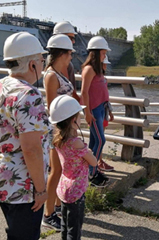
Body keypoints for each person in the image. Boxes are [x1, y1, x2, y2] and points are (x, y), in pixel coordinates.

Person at [0, 32, 51, 239]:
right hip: (24, 185)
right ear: (32, 65)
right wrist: (40, 190)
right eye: (41, 60)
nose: (43, 65)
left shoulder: (3, 86)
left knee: (15, 230)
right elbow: (31, 148)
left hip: (5, 178)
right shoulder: (29, 95)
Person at [49, 95, 97, 240]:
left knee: (65, 225)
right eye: (79, 116)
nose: (81, 119)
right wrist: (88, 152)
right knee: (74, 230)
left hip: (64, 188)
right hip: (76, 191)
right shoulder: (76, 143)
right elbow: (94, 162)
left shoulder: (58, 139)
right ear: (73, 120)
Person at [42, 34, 75, 231]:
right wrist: (61, 133)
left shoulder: (58, 72)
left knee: (61, 170)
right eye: (70, 53)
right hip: (58, 131)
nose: (71, 57)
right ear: (62, 53)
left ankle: (56, 206)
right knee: (56, 171)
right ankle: (48, 214)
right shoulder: (51, 76)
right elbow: (51, 107)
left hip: (66, 129)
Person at [81, 36, 113, 186]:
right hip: (93, 110)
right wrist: (87, 113)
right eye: (103, 53)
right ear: (96, 52)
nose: (105, 55)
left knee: (94, 141)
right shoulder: (89, 69)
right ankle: (93, 172)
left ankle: (88, 170)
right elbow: (84, 92)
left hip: (101, 109)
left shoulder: (99, 69)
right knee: (101, 140)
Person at [53, 21, 80, 102]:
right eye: (71, 38)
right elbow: (68, 88)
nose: (73, 41)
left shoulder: (53, 61)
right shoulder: (61, 63)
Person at [99, 55, 115, 171]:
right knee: (99, 138)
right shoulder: (95, 78)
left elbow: (106, 97)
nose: (105, 67)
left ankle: (99, 160)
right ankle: (97, 161)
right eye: (104, 64)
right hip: (98, 111)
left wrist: (110, 111)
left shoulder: (104, 78)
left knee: (101, 136)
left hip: (103, 111)